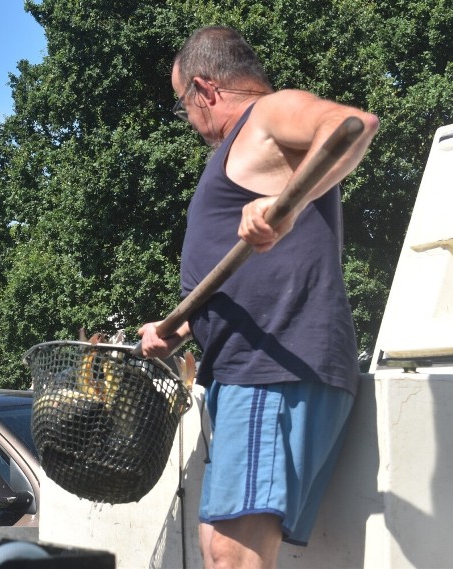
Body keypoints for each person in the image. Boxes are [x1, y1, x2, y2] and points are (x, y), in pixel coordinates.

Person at [137, 26, 378, 569]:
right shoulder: (242, 145)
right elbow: (231, 276)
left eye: (184, 107)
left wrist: (286, 205)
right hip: (246, 371)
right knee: (218, 549)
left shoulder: (269, 113)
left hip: (272, 364)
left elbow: (353, 124)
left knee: (231, 557)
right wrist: (179, 327)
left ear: (205, 89)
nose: (190, 122)